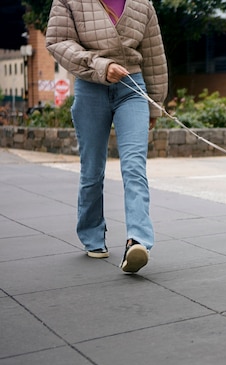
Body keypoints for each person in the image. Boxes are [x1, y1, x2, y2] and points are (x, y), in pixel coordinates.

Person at [46, 0, 168, 273]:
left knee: (134, 165)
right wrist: (100, 65)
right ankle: (91, 235)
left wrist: (155, 103)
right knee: (92, 169)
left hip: (132, 87)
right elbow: (57, 41)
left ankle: (137, 241)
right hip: (91, 87)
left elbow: (154, 54)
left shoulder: (142, 3)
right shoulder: (68, 1)